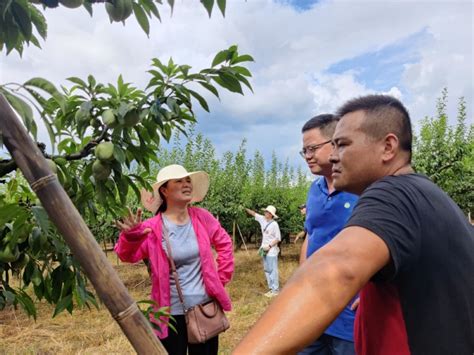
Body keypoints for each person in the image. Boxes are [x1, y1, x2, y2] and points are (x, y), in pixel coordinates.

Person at [234, 95, 474, 354]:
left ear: (388, 147)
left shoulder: (392, 194)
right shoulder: (426, 194)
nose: (334, 157)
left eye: (342, 144)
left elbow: (335, 272)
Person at [114, 164, 234, 355]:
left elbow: (224, 243)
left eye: (188, 180)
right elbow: (126, 255)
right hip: (169, 315)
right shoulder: (151, 227)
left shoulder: (202, 217)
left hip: (204, 308)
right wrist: (131, 237)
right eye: (179, 181)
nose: (186, 184)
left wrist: (220, 278)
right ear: (164, 190)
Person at [298, 114, 359, 355]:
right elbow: (311, 235)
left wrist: (371, 293)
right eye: (303, 151)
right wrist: (300, 280)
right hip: (313, 307)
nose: (308, 156)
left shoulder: (361, 188)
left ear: (335, 144)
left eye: (312, 148)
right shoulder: (315, 189)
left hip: (349, 313)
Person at [245, 205, 281, 298]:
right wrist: (244, 207)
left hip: (271, 250)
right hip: (264, 250)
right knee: (267, 270)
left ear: (271, 214)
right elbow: (253, 213)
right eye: (265, 211)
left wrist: (269, 246)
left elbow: (278, 238)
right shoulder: (262, 219)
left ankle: (275, 290)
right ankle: (271, 289)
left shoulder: (274, 225)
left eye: (267, 212)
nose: (265, 213)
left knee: (273, 270)